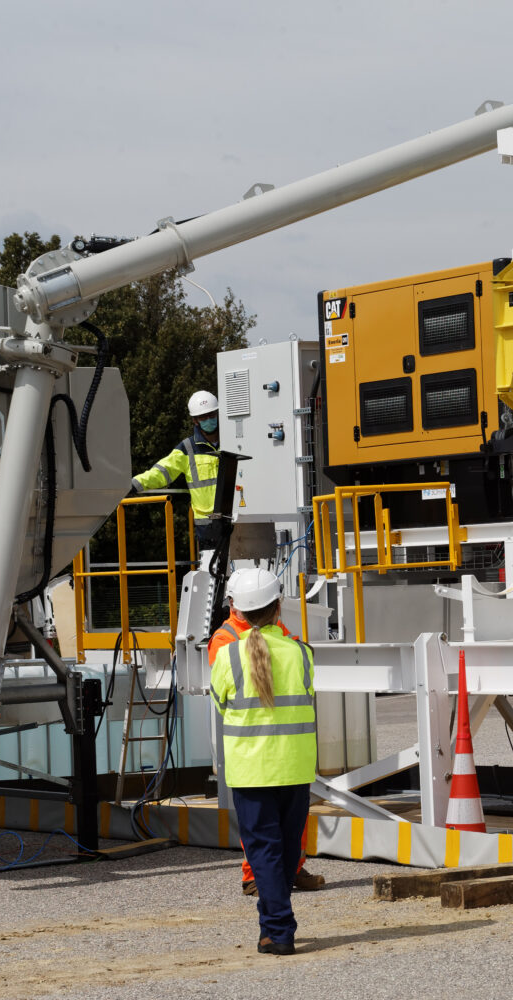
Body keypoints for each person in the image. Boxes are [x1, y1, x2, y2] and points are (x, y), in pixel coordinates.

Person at [209, 568, 318, 955]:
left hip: (251, 771)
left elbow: (221, 704)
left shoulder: (226, 655)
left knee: (265, 852)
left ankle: (278, 929)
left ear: (236, 609)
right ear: (278, 606)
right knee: (288, 849)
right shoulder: (302, 653)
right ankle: (272, 927)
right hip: (295, 767)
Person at [131, 390, 222, 558]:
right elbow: (162, 472)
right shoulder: (187, 449)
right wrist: (134, 484)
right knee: (213, 576)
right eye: (203, 417)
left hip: (238, 518)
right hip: (208, 526)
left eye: (211, 415)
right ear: (195, 421)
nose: (208, 420)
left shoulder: (235, 440)